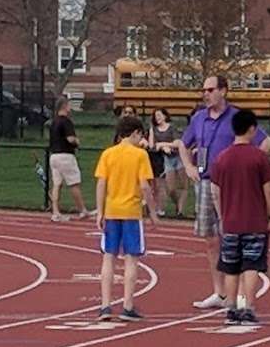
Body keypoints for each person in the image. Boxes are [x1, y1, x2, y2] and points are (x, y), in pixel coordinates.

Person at [179, 73, 270, 311]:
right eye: (204, 90)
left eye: (210, 90)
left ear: (223, 91)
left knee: (235, 237)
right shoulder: (199, 118)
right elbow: (183, 143)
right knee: (211, 240)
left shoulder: (236, 117)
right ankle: (219, 292)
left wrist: (247, 166)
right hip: (205, 182)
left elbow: (266, 143)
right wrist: (189, 166)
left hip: (231, 187)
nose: (206, 94)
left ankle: (241, 293)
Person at [209, 109, 270, 325]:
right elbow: (269, 190)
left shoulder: (222, 158)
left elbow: (215, 191)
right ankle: (248, 306)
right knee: (251, 265)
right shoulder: (259, 157)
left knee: (231, 266)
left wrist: (222, 216)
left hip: (231, 222)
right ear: (252, 129)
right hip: (255, 221)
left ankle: (230, 307)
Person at [94, 113, 156, 321]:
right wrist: (153, 212)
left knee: (108, 257)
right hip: (131, 212)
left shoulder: (108, 155)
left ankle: (105, 305)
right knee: (131, 259)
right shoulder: (140, 155)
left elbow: (101, 183)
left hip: (112, 211)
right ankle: (127, 305)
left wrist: (100, 210)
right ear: (136, 133)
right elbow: (145, 186)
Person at [48, 95, 91, 221]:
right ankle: (82, 210)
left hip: (54, 155)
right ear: (64, 106)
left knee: (57, 184)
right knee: (74, 183)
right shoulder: (66, 121)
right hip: (65, 155)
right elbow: (70, 139)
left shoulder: (53, 121)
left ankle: (55, 212)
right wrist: (77, 141)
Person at [149, 109, 185, 218]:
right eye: (155, 116)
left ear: (165, 116)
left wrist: (164, 144)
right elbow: (152, 146)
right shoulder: (154, 130)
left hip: (178, 156)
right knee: (171, 188)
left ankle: (180, 211)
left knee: (183, 185)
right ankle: (177, 203)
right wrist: (160, 146)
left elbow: (177, 142)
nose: (157, 118)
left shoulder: (172, 127)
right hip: (167, 159)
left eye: (159, 115)